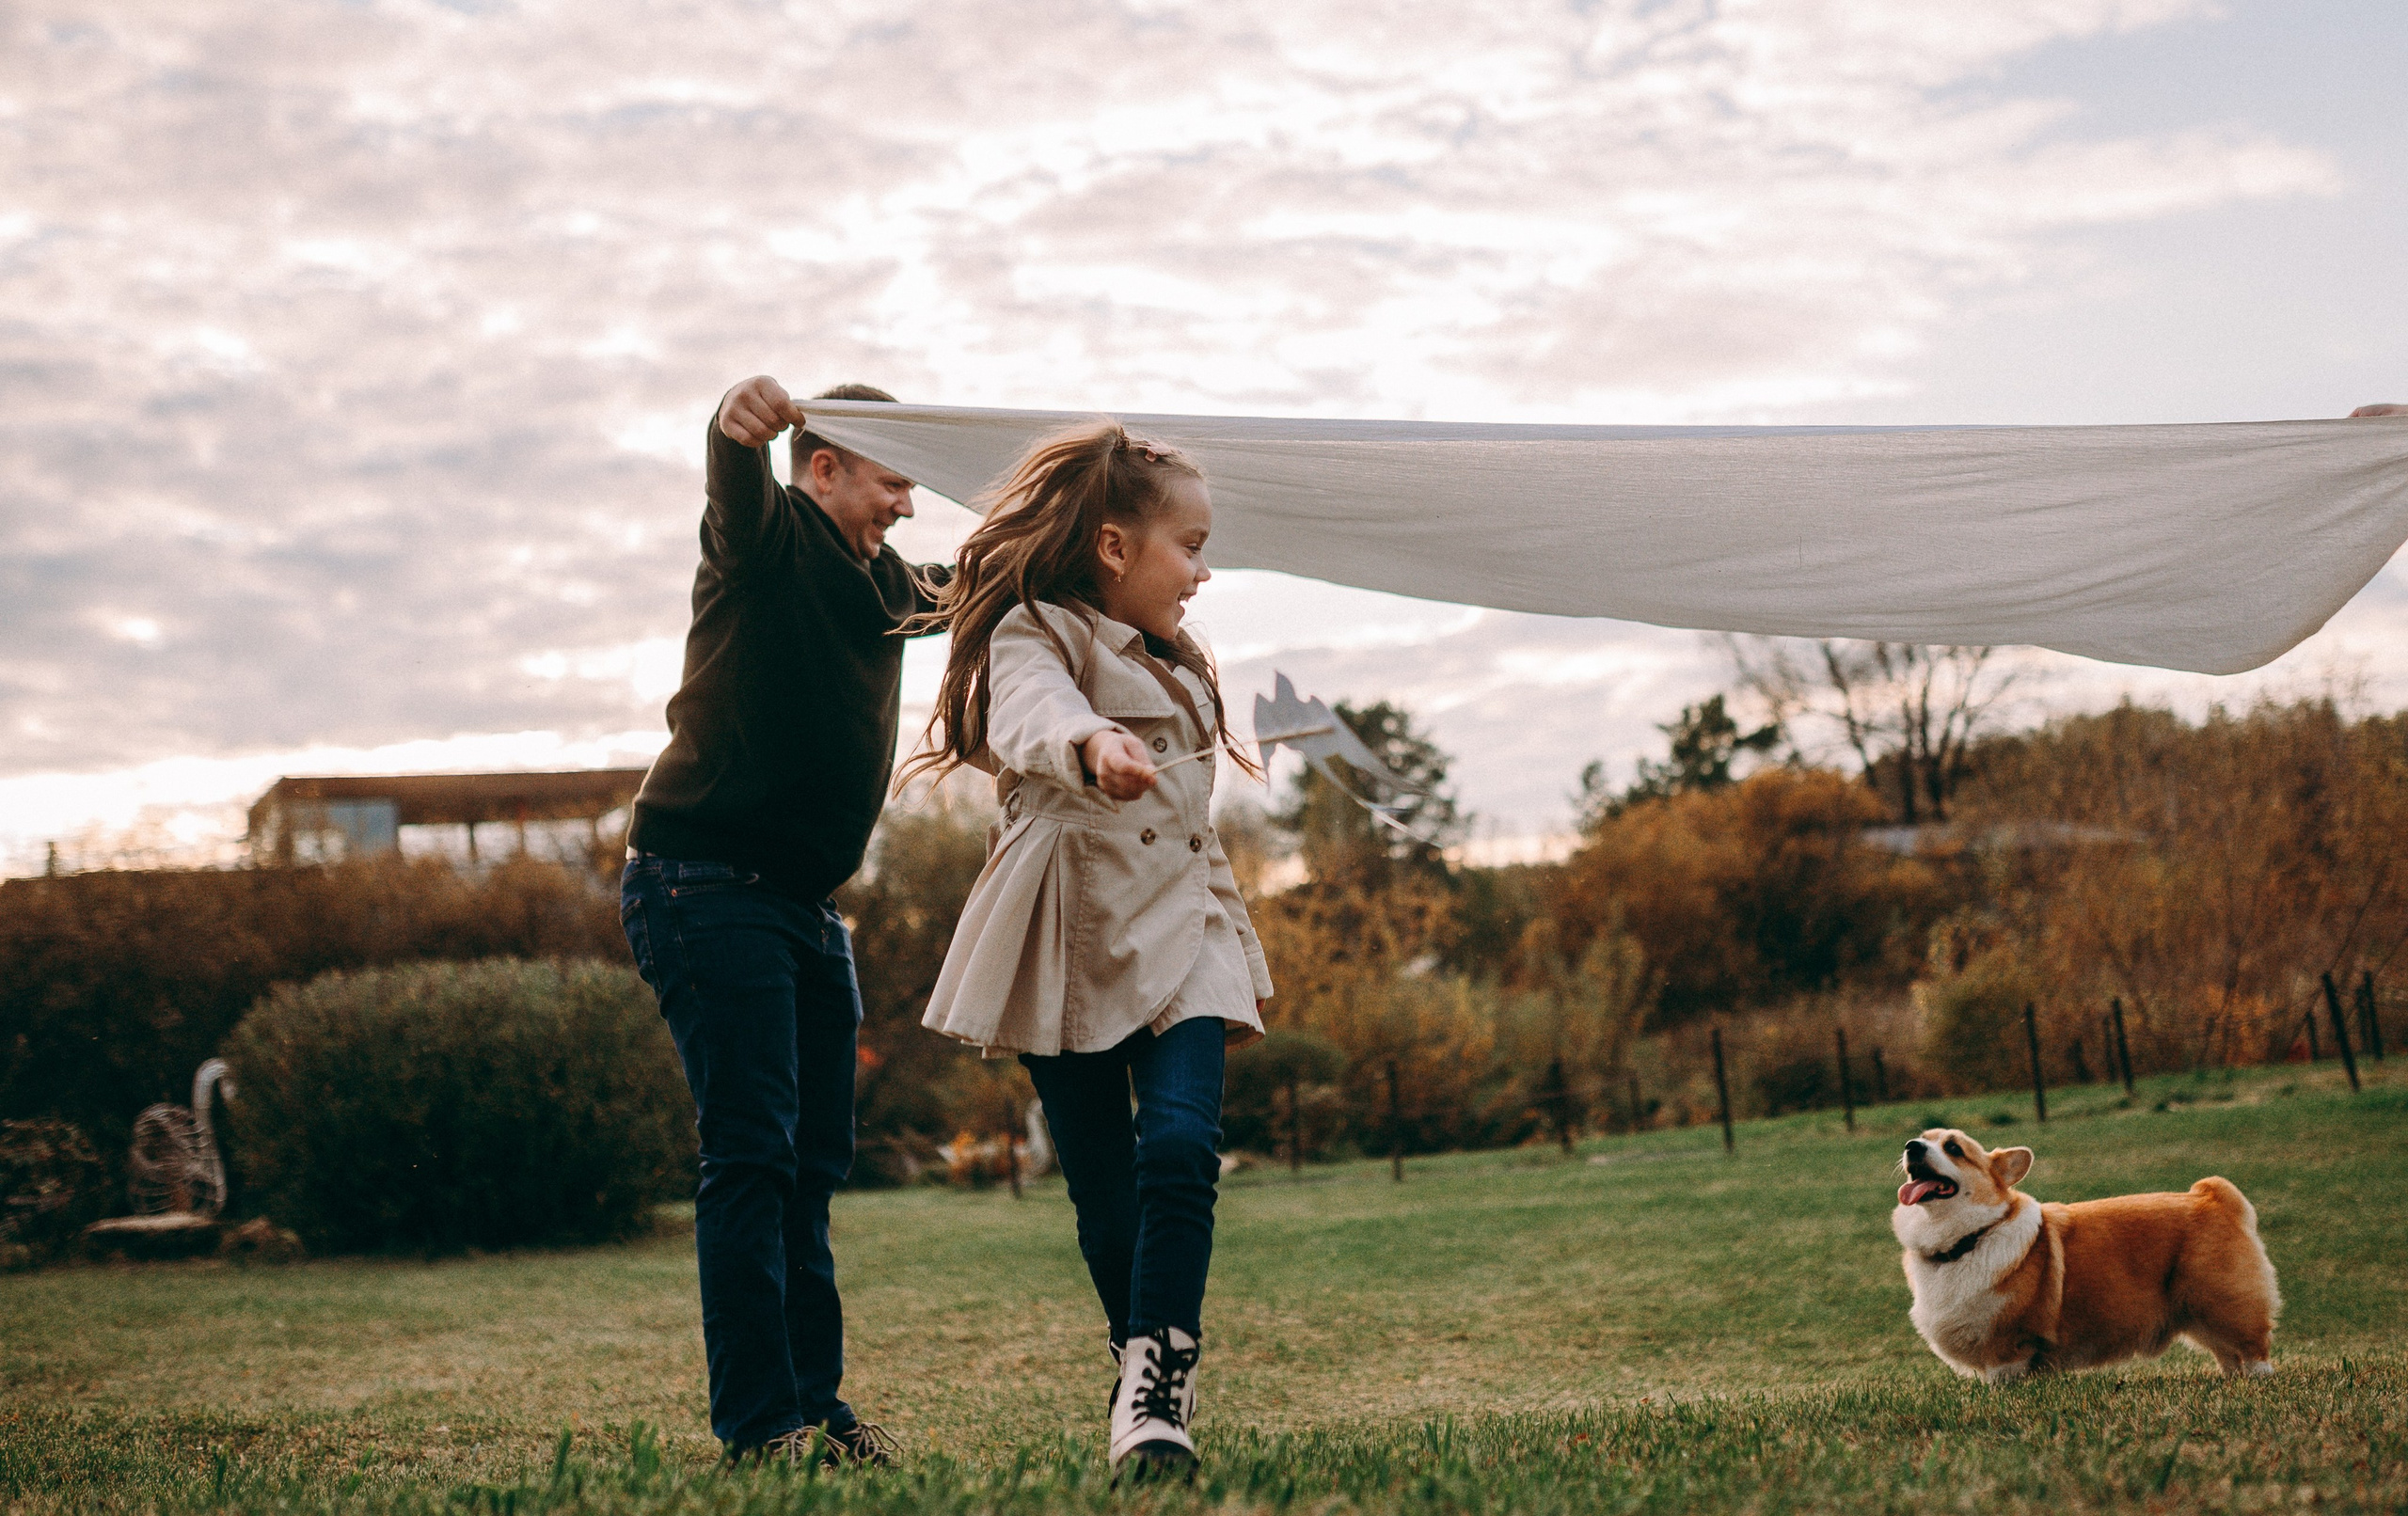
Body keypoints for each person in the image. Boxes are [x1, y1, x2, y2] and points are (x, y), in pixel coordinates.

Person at [900, 421, 1274, 1481]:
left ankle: (1159, 1388)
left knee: (1177, 1148)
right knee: (1103, 1187)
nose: (1201, 574)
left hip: (1186, 927)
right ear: (1115, 547)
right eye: (1189, 545)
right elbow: (1025, 708)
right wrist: (1090, 742)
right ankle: (1132, 1353)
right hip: (1062, 930)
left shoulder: (1182, 669)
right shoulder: (1037, 634)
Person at [620, 374, 939, 1467]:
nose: (906, 504)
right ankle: (761, 1428)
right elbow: (733, 493)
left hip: (803, 912)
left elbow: (986, 586)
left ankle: (815, 1405)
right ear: (824, 466)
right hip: (703, 882)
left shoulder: (888, 586)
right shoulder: (770, 539)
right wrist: (729, 427)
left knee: (810, 1166)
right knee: (752, 1154)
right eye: (892, 480)